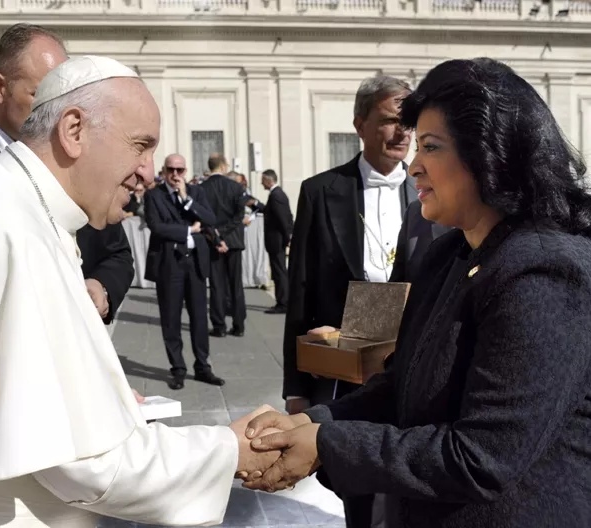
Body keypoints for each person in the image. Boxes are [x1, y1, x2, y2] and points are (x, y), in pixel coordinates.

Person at [0, 55, 281, 527]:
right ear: (73, 130)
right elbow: (89, 466)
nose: (149, 172)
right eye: (140, 146)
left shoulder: (9, 203)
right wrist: (228, 449)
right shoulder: (17, 232)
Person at [242, 57, 591, 528]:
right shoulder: (451, 253)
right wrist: (313, 421)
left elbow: (481, 458)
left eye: (430, 147)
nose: (414, 166)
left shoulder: (545, 272)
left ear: (488, 154)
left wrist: (325, 445)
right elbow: (401, 386)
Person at [0, 23, 133, 324]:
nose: (57, 112)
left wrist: (101, 288)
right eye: (41, 96)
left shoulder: (78, 161)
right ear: (0, 88)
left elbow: (116, 253)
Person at [283, 76, 417, 415]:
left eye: (409, 123)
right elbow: (301, 291)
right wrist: (296, 389)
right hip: (339, 373)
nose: (402, 132)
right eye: (390, 121)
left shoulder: (432, 194)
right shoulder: (320, 192)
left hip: (411, 370)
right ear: (360, 125)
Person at [144, 154, 225, 390]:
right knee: (171, 319)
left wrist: (186, 200)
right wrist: (189, 230)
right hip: (169, 264)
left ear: (186, 171)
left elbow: (210, 219)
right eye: (171, 169)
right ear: (164, 170)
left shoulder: (196, 193)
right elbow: (157, 227)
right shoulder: (154, 195)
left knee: (200, 317)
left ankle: (203, 367)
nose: (175, 175)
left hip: (196, 264)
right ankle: (178, 369)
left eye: (180, 170)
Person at [201, 153, 247, 337]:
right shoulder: (235, 186)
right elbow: (239, 215)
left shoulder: (202, 188)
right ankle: (239, 324)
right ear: (223, 166)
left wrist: (217, 234)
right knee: (236, 284)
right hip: (234, 240)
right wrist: (226, 232)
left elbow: (202, 216)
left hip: (212, 242)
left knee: (216, 284)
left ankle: (219, 325)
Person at [256, 169, 293, 314]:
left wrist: (288, 237)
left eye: (263, 180)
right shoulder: (276, 194)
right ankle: (282, 301)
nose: (261, 183)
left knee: (279, 272)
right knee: (278, 271)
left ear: (269, 180)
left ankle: (283, 303)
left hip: (277, 241)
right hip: (276, 241)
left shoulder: (276, 195)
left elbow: (283, 218)